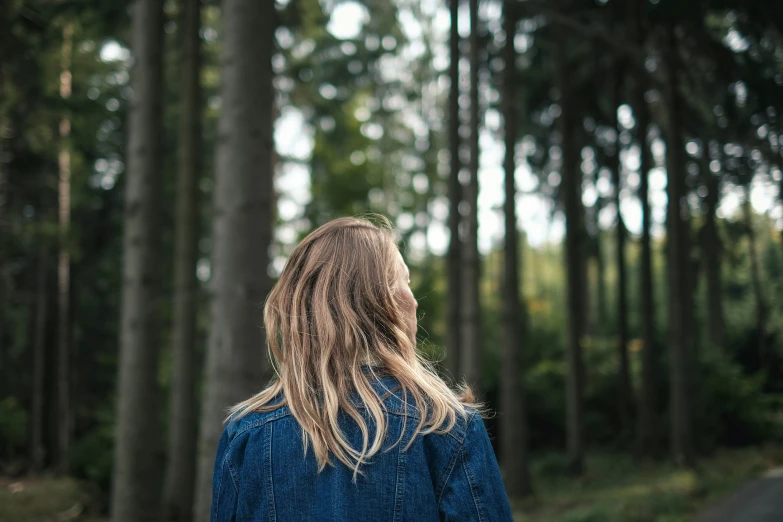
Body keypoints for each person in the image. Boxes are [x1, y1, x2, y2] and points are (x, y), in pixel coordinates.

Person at [210, 216, 514, 521]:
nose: (415, 300)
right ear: (379, 300)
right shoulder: (446, 425)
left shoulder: (246, 434)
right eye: (403, 281)